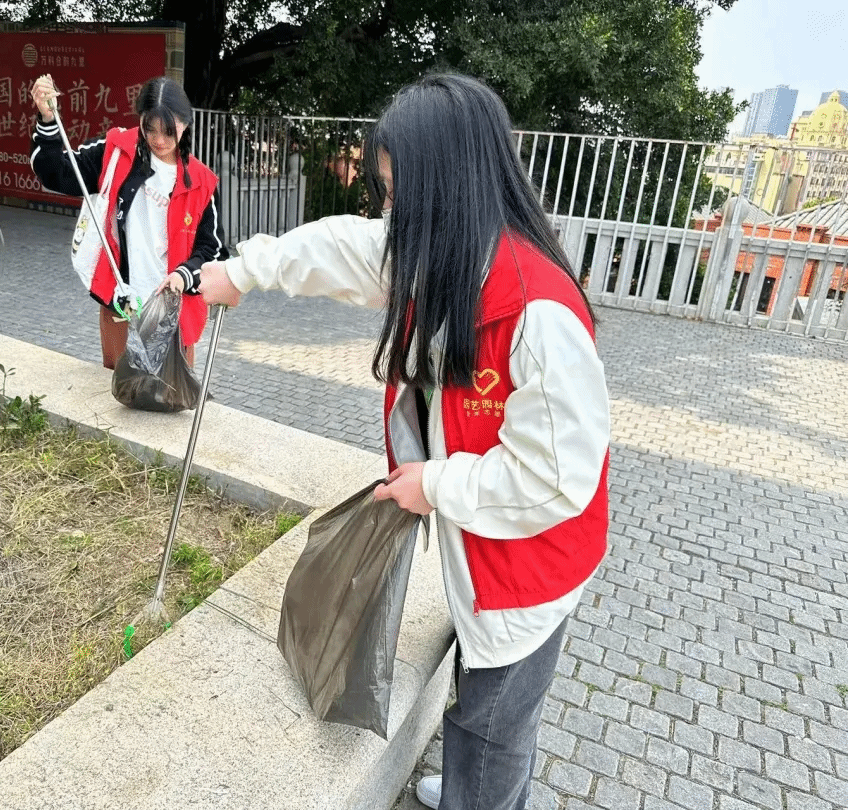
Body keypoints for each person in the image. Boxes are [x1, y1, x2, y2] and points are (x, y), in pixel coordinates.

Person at [198, 74, 611, 810]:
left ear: (448, 186)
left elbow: (555, 479)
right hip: (487, 550)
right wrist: (240, 272)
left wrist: (436, 484)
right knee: (484, 705)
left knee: (492, 728)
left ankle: (478, 794)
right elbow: (338, 247)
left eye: (395, 193)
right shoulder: (443, 255)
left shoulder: (537, 313)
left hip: (527, 575)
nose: (388, 214)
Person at [29, 74, 227, 370]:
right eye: (150, 129)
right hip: (120, 303)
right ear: (140, 119)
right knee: (116, 389)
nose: (159, 140)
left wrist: (184, 275)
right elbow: (57, 173)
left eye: (169, 131)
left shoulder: (201, 182)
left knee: (173, 394)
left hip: (174, 311)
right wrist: (47, 120)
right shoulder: (116, 151)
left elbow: (213, 250)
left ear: (185, 124)